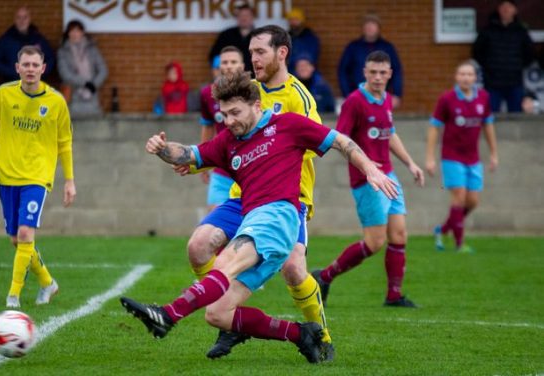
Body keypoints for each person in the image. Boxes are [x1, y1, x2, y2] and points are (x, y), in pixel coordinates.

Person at [121, 70, 398, 364]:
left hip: (278, 216)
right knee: (217, 314)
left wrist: (370, 169)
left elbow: (342, 141)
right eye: (224, 114)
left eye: (235, 113)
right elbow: (189, 154)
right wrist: (162, 149)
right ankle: (301, 334)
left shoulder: (287, 125)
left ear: (256, 105)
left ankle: (167, 315)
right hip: (254, 219)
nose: (229, 121)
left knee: (226, 262)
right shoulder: (228, 140)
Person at [183, 25, 334, 361]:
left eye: (260, 51)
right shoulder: (248, 92)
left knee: (294, 269)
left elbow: (313, 142)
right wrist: (195, 160)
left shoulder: (299, 97)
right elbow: (227, 140)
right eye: (250, 52)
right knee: (198, 246)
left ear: (282, 53)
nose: (253, 58)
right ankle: (228, 320)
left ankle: (321, 337)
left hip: (286, 197)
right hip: (244, 195)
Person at [313, 50, 424, 308]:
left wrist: (410, 163)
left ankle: (393, 295)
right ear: (364, 72)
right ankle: (324, 276)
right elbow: (339, 140)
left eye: (382, 72)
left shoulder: (386, 99)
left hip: (390, 176)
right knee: (375, 242)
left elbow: (390, 134)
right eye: (372, 72)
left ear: (389, 74)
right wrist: (364, 166)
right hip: (368, 181)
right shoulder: (354, 101)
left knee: (399, 236)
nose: (377, 77)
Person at [0, 45, 76, 308]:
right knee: (16, 239)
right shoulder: (3, 94)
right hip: (6, 176)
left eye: (35, 65)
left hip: (37, 177)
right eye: (26, 65)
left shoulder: (56, 101)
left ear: (43, 69)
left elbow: (65, 142)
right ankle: (47, 282)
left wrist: (69, 180)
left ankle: (13, 297)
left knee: (24, 233)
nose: (30, 69)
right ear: (17, 67)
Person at [428, 61, 498, 252]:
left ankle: (442, 230)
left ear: (475, 78)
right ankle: (460, 244)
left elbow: (488, 126)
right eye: (462, 74)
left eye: (469, 74)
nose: (466, 78)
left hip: (473, 158)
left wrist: (493, 153)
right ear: (456, 77)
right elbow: (435, 127)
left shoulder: (483, 98)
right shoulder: (447, 99)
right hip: (451, 156)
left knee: (472, 201)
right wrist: (430, 157)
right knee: (459, 197)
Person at [199, 47, 244, 210]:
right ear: (219, 67)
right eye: (225, 62)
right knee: (214, 222)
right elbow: (207, 126)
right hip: (222, 170)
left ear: (242, 66)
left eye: (233, 62)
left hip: (249, 167)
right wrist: (203, 161)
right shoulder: (207, 94)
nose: (229, 66)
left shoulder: (254, 92)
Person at [473, 0, 535, 113]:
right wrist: (490, 66)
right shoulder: (488, 30)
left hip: (514, 81)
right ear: (499, 9)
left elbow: (530, 53)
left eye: (509, 7)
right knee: (491, 116)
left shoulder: (521, 31)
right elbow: (477, 52)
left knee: (516, 116)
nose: (506, 9)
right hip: (492, 82)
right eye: (503, 6)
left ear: (515, 10)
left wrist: (517, 66)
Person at [338, 14, 403, 108]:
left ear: (378, 27)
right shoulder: (353, 47)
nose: (369, 27)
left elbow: (397, 71)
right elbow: (342, 71)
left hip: (381, 95)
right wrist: (346, 93)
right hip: (358, 95)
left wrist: (397, 94)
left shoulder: (387, 48)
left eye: (373, 24)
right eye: (367, 24)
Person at [0, 6, 55, 83]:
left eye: (25, 17)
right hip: (12, 85)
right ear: (14, 20)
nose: (22, 21)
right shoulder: (5, 40)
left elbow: (50, 59)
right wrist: (14, 72)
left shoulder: (39, 39)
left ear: (29, 19)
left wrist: (39, 72)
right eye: (19, 17)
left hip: (34, 86)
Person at [57, 20, 108, 116]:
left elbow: (103, 70)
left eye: (77, 31)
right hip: (72, 96)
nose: (75, 34)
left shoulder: (92, 49)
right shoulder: (62, 51)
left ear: (82, 33)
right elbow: (64, 74)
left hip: (92, 95)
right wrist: (85, 83)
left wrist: (94, 85)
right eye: (72, 31)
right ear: (68, 34)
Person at [209, 3, 255, 74]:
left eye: (247, 15)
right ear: (237, 18)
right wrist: (217, 70)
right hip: (229, 79)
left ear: (252, 17)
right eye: (241, 15)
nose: (244, 18)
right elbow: (215, 55)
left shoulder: (259, 36)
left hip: (254, 79)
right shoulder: (226, 35)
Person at [286, 8, 321, 76]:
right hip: (289, 73)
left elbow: (313, 56)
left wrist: (301, 64)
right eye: (291, 20)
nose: (293, 22)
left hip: (307, 74)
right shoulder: (285, 38)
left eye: (296, 19)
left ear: (302, 21)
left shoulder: (310, 38)